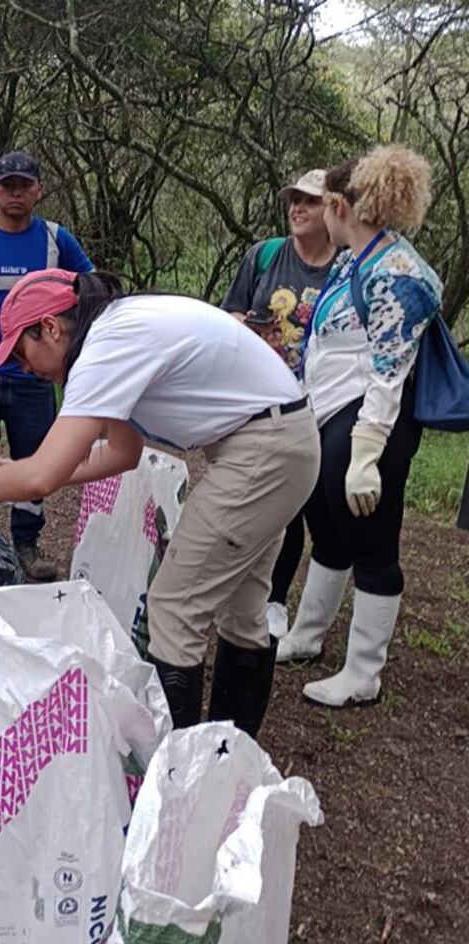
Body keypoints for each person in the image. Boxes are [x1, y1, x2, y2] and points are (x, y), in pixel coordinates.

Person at [0, 269, 320, 738]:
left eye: (21, 352)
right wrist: (18, 471)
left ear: (51, 327)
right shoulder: (120, 330)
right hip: (279, 439)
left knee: (175, 609)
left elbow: (42, 478)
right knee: (242, 610)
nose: (24, 368)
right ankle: (226, 761)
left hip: (262, 450)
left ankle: (175, 781)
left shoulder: (106, 346)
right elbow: (122, 451)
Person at [277, 145, 440, 707]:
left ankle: (363, 672)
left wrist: (367, 454)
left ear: (340, 206)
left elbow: (391, 369)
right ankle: (307, 634)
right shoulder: (356, 257)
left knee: (371, 539)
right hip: (333, 412)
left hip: (373, 422)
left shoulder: (398, 275)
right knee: (328, 526)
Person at [0, 151, 93, 581]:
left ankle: (26, 545)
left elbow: (91, 290)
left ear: (39, 190)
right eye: (7, 186)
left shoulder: (55, 241)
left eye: (24, 186)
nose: (16, 194)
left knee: (34, 458)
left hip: (33, 380)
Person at [222, 169, 337, 638]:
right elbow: (230, 313)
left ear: (334, 208)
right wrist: (249, 331)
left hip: (320, 401)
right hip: (259, 396)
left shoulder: (345, 267)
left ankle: (277, 601)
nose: (297, 208)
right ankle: (248, 593)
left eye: (309, 201)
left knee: (302, 506)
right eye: (293, 199)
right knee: (258, 499)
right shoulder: (265, 255)